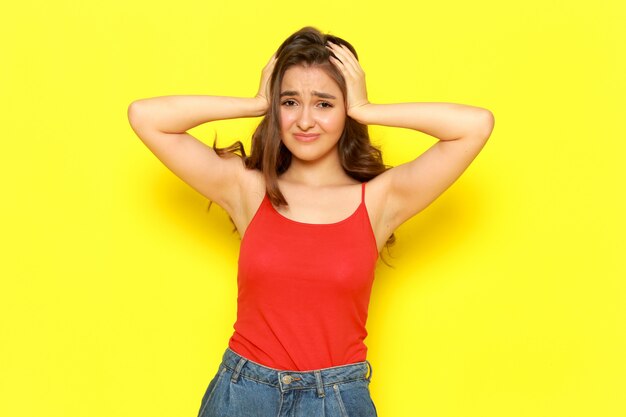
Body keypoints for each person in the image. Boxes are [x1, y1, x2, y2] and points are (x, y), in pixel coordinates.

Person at [127, 26, 494, 417]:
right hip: (243, 393)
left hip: (335, 399)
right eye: (289, 102)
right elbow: (145, 116)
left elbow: (475, 125)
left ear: (345, 109)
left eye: (323, 104)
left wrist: (368, 110)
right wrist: (255, 102)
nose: (304, 121)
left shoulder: (379, 200)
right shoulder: (248, 190)